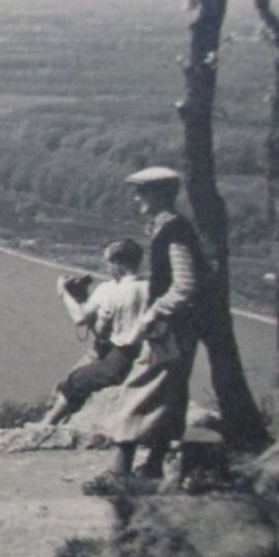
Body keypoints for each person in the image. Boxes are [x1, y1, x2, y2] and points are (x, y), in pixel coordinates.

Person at [83, 166, 210, 495]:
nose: (137, 198)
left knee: (138, 388)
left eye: (142, 191)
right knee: (170, 395)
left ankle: (119, 473)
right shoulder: (169, 228)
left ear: (160, 194)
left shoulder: (174, 231)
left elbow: (185, 285)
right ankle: (152, 467)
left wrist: (153, 314)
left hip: (168, 330)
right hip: (179, 329)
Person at [42, 238, 148, 426]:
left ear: (118, 263)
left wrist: (64, 293)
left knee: (75, 381)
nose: (107, 268)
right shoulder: (150, 287)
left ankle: (47, 424)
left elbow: (84, 321)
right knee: (77, 381)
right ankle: (55, 422)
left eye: (108, 263)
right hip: (143, 354)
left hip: (119, 355)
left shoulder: (113, 290)